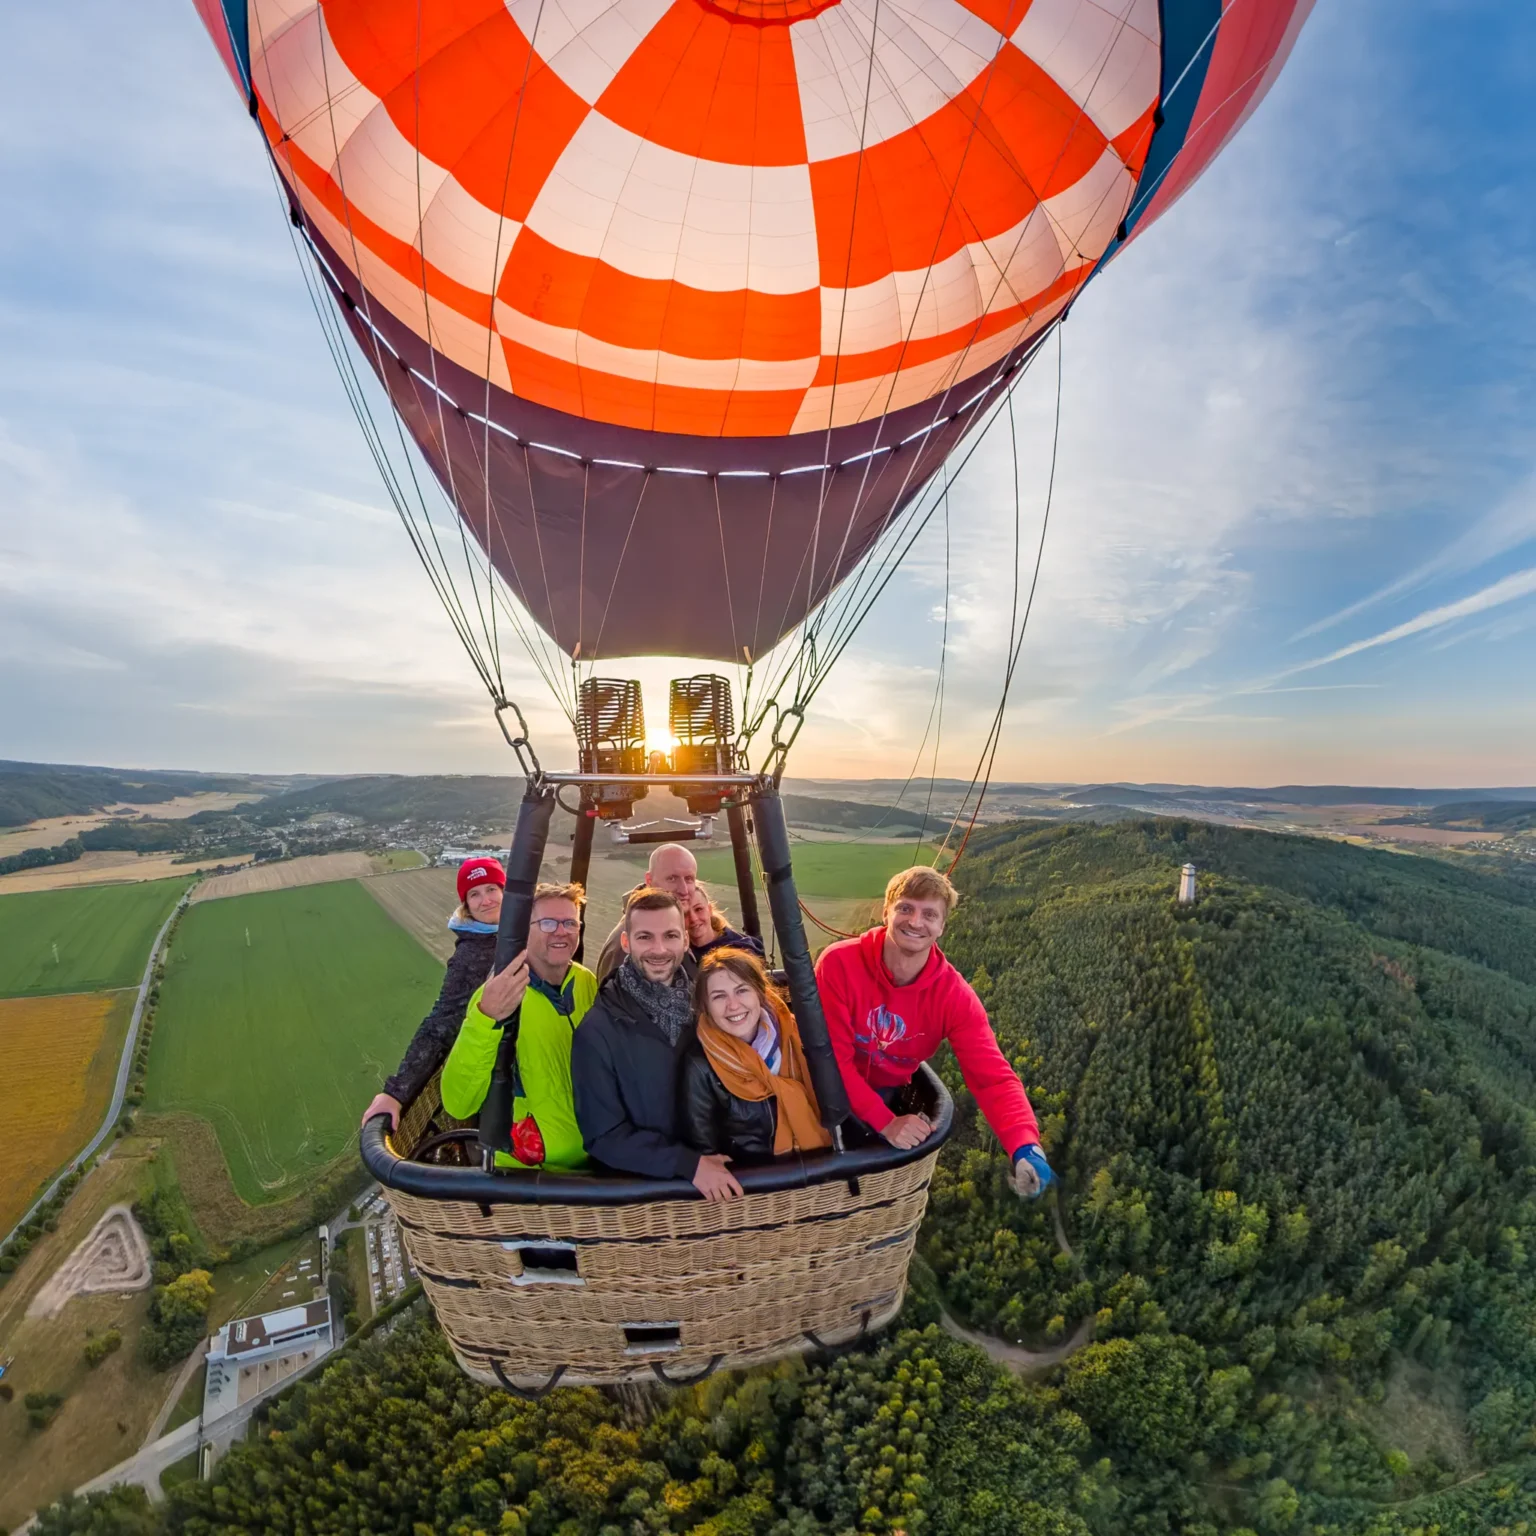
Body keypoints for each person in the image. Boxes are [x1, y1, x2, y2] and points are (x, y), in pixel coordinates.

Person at [816, 866, 1056, 1200]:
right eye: (905, 908)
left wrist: (1025, 1145)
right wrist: (886, 1122)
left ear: (942, 926)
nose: (915, 922)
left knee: (859, 1186)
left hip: (882, 1090)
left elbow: (992, 1078)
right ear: (886, 912)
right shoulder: (840, 964)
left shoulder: (953, 998)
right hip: (820, 1085)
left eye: (929, 914)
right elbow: (831, 1060)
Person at [572, 888, 742, 1200]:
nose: (659, 949)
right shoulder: (598, 1031)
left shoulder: (711, 1005)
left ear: (685, 940)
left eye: (670, 936)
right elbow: (603, 1136)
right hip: (650, 1198)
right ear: (626, 943)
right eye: (645, 937)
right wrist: (688, 1164)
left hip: (723, 1181)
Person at [439, 882, 596, 1168]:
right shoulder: (501, 996)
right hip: (531, 1177)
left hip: (594, 1158)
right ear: (525, 930)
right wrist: (486, 1017)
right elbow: (458, 1102)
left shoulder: (585, 981)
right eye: (548, 923)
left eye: (570, 923)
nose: (561, 931)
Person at [362, 856, 505, 1131]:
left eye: (491, 889)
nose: (485, 900)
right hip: (500, 1075)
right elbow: (440, 1023)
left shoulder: (527, 929)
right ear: (466, 905)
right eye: (474, 894)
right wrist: (396, 1092)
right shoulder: (470, 956)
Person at [680, 948, 831, 1174]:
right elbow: (706, 1150)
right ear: (706, 1007)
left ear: (760, 993)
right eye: (719, 996)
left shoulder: (796, 1035)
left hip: (816, 1169)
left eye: (742, 990)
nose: (733, 1005)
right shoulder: (700, 1066)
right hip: (756, 1182)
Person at [595, 843, 699, 981]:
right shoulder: (625, 950)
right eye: (672, 878)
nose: (684, 890)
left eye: (689, 879)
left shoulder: (685, 928)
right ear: (649, 880)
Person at [684, 884, 765, 963]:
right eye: (685, 913)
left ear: (710, 910)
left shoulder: (739, 951)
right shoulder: (680, 951)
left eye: (698, 909)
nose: (693, 919)